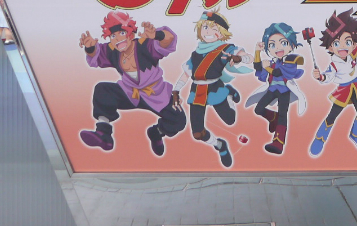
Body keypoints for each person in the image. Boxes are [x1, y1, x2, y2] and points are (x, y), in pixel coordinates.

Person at [78, 12, 185, 155]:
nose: (118, 39)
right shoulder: (112, 50)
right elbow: (96, 55)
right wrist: (90, 48)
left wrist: (156, 35)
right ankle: (103, 134)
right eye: (113, 36)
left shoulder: (145, 45)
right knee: (102, 89)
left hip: (155, 94)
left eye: (122, 33)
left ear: (131, 34)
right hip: (129, 93)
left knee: (178, 119)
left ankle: (156, 133)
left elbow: (169, 39)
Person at [174, 9, 249, 168]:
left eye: (213, 28)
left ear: (221, 33)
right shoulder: (195, 53)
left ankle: (229, 93)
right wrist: (176, 90)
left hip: (215, 88)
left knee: (230, 120)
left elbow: (246, 56)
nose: (208, 31)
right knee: (197, 133)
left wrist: (239, 58)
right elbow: (186, 74)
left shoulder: (226, 48)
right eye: (205, 27)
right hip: (196, 91)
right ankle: (220, 145)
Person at [308, 10, 357, 156]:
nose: (343, 46)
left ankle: (356, 134)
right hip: (343, 91)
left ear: (353, 43)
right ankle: (320, 138)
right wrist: (320, 77)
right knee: (332, 116)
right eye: (336, 43)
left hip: (356, 88)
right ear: (330, 47)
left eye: (348, 42)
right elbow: (328, 76)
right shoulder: (334, 64)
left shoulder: (353, 54)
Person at [245, 22, 307, 155]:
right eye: (272, 45)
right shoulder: (273, 62)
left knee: (283, 115)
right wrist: (257, 51)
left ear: (291, 45)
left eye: (283, 43)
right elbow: (258, 68)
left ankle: (278, 143)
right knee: (258, 109)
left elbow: (278, 73)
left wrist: (267, 67)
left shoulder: (291, 59)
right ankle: (273, 117)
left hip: (285, 91)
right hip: (272, 89)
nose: (278, 48)